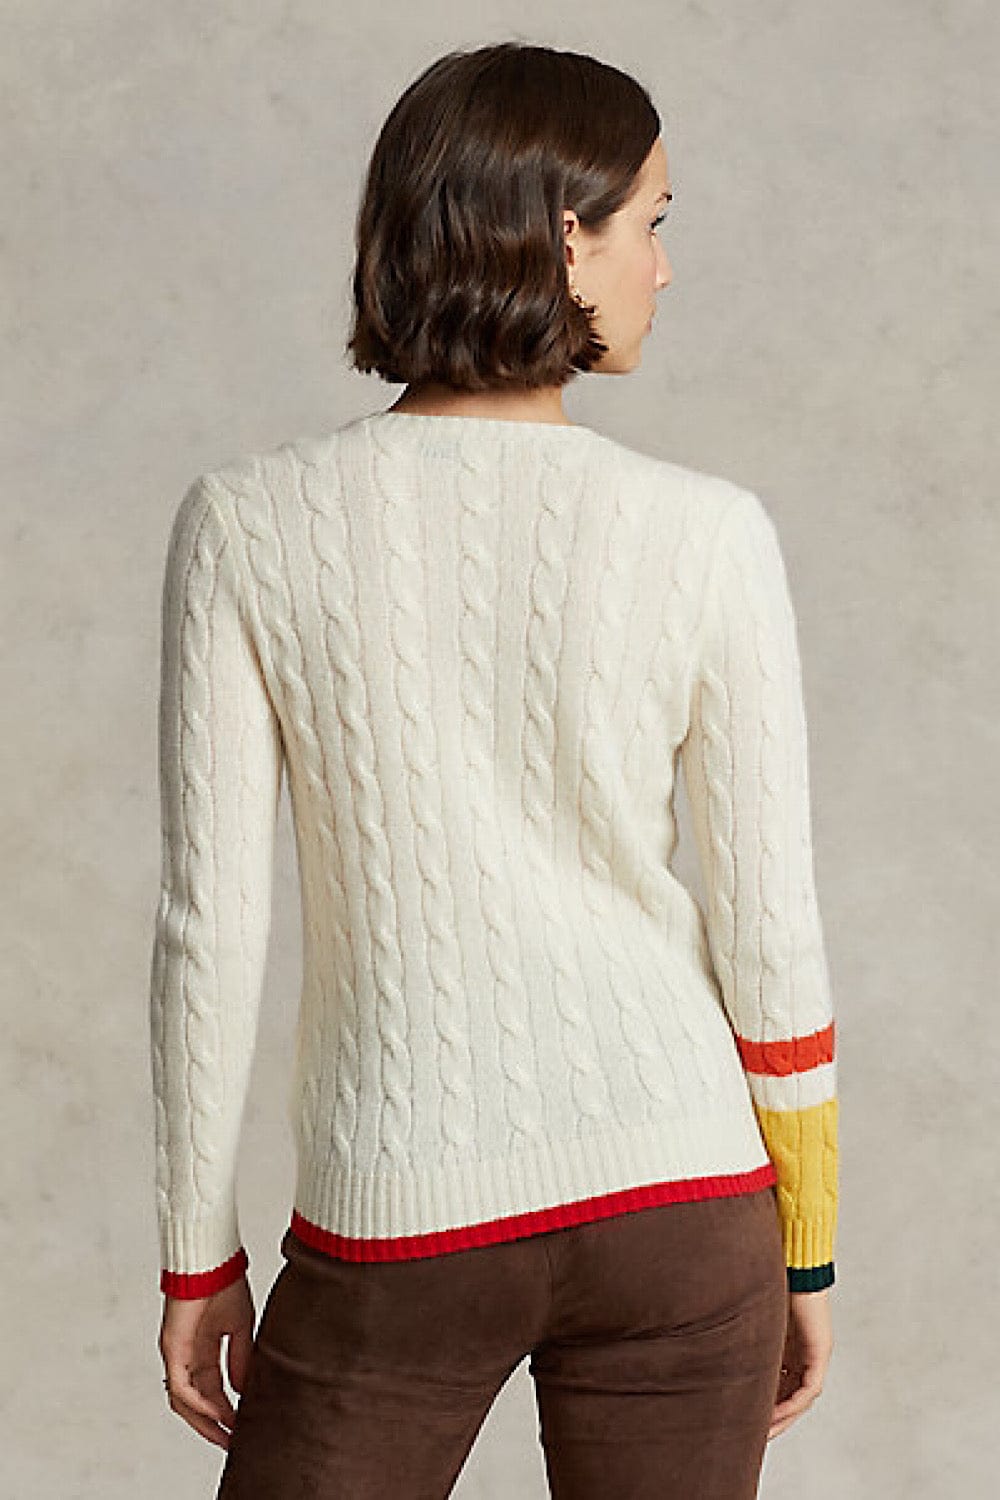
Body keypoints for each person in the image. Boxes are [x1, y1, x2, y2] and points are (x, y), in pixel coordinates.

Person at [150, 40, 837, 1499]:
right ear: (563, 237)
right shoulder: (707, 533)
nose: (666, 267)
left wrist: (194, 1256)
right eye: (652, 223)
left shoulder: (252, 524)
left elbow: (210, 929)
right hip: (684, 1199)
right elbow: (771, 931)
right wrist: (810, 1247)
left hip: (403, 1210)